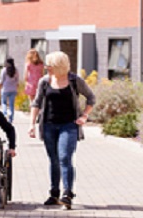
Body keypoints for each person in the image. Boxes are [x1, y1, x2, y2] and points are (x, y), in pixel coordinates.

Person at [28, 51, 96, 209]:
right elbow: (36, 103)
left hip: (69, 125)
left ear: (58, 66)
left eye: (49, 65)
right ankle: (54, 193)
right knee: (53, 160)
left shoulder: (74, 80)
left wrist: (84, 116)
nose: (46, 67)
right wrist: (31, 124)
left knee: (65, 158)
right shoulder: (45, 81)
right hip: (49, 125)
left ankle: (67, 194)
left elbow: (91, 97)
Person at [0, 57, 19, 123]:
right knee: (11, 104)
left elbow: (1, 80)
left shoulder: (4, 70)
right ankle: (11, 118)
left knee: (4, 102)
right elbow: (17, 81)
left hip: (5, 89)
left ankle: (5, 114)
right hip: (13, 89)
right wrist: (17, 89)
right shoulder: (16, 70)